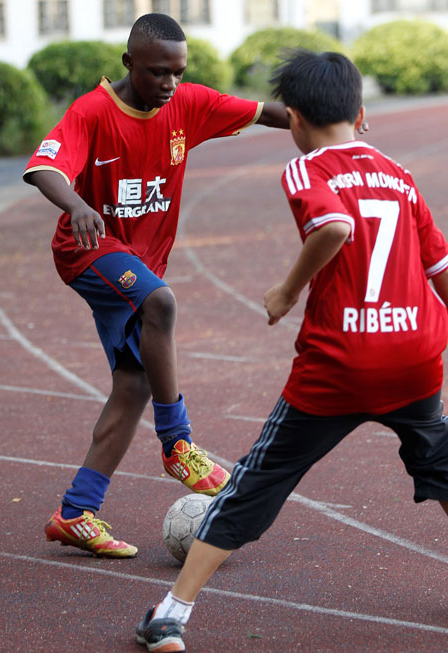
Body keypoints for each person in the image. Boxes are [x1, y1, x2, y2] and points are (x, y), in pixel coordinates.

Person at [135, 49, 448, 652]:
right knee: (440, 465)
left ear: (295, 119)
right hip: (415, 355)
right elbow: (441, 267)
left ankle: (172, 614)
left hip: (342, 364)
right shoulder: (399, 175)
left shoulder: (309, 170)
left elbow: (333, 227)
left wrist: (286, 290)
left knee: (259, 478)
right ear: (362, 115)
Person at [22, 12, 297, 558]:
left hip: (139, 260)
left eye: (177, 72)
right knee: (160, 302)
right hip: (88, 252)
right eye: (156, 73)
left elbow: (268, 113)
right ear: (128, 64)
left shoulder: (186, 104)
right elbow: (43, 168)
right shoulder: (92, 112)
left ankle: (76, 512)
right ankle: (178, 445)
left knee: (134, 383)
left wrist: (331, 121)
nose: (169, 85)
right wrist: (76, 204)